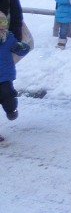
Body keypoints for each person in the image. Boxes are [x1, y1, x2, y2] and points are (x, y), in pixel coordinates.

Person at [0, 11, 30, 142]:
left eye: (3, 23)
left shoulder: (8, 38)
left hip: (5, 76)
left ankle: (11, 110)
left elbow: (16, 48)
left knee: (9, 95)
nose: (1, 26)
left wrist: (23, 47)